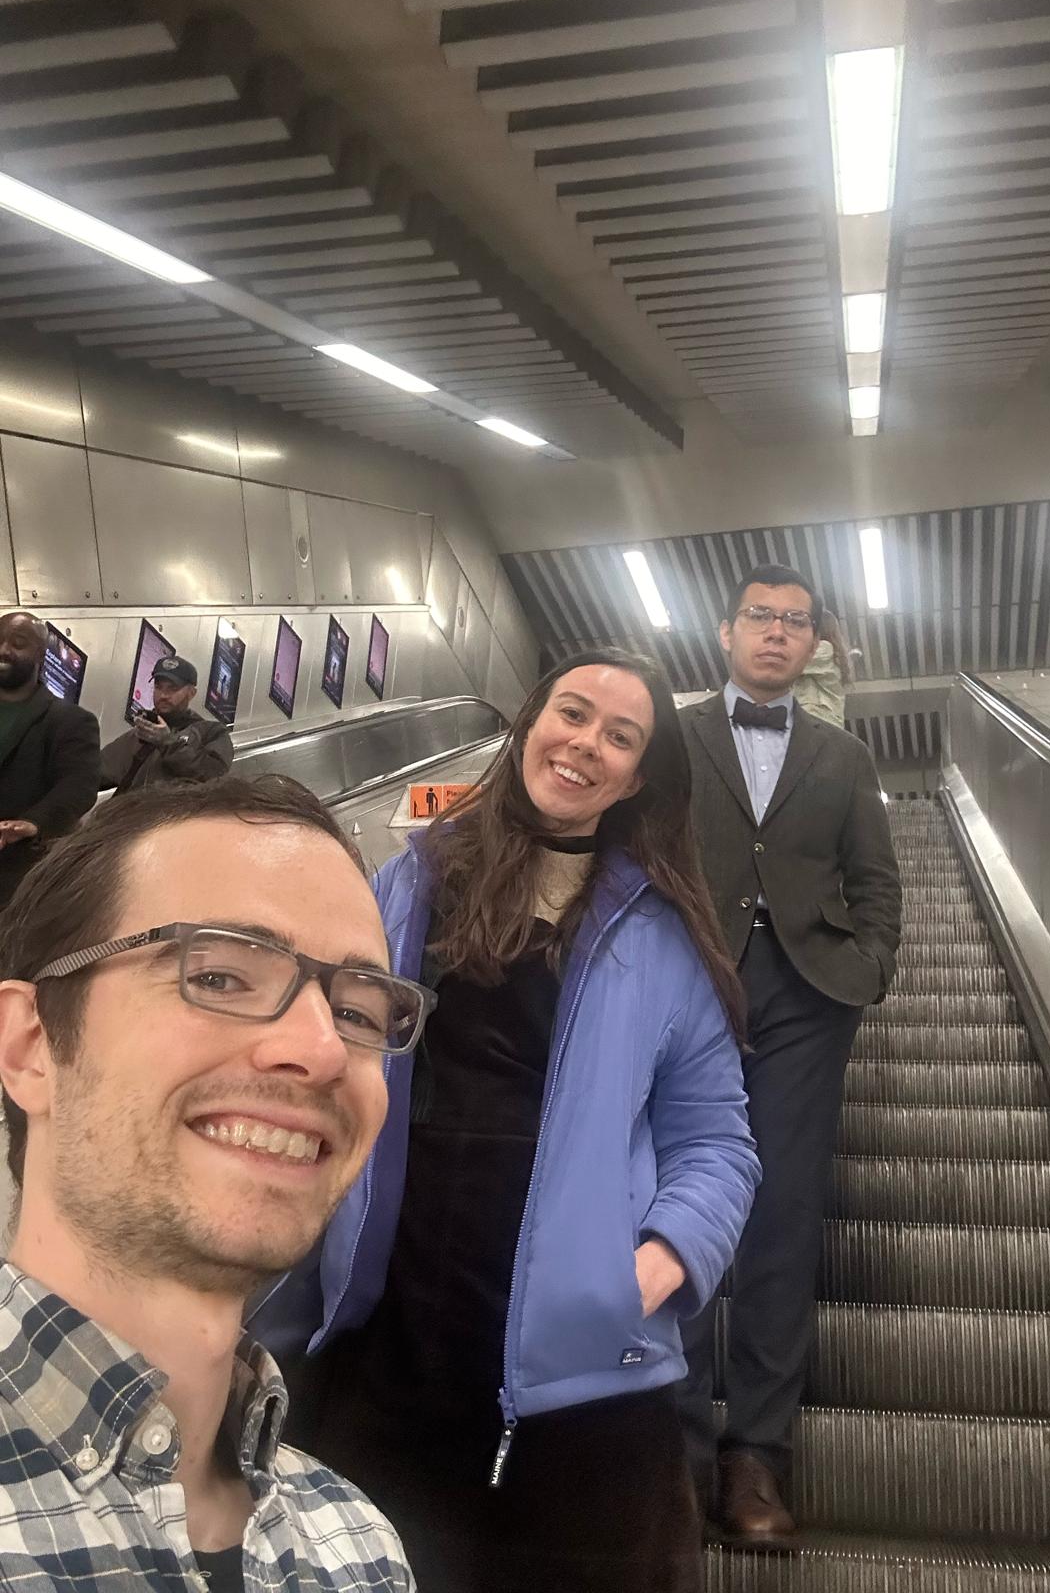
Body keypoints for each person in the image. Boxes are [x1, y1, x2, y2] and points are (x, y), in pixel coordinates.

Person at [253, 648, 760, 1593]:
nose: (585, 745)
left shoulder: (660, 934)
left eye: (620, 736)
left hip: (577, 1363)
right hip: (387, 1326)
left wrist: (656, 1264)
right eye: (571, 714)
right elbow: (331, 1052)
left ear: (639, 778)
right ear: (529, 723)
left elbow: (716, 1138)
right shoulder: (409, 882)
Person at [0, 775, 431, 1591]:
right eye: (223, 976)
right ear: (28, 1045)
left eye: (360, 1012)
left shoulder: (359, 1548)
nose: (322, 1050)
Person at [676, 565, 902, 1543]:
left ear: (816, 644)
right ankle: (673, 1446)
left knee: (783, 1208)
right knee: (674, 1202)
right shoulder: (668, 739)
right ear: (726, 632)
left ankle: (756, 1455)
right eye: (760, 617)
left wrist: (868, 968)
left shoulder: (844, 756)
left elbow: (877, 879)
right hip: (686, 990)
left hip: (809, 999)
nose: (776, 633)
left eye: (795, 622)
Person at [0, 610, 100, 910]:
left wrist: (33, 822)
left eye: (18, 643)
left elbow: (79, 785)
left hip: (15, 879)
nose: (4, 650)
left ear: (41, 654)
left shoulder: (70, 721)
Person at [100, 654, 233, 795]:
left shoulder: (210, 732)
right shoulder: (139, 734)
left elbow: (215, 776)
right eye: (158, 687)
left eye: (172, 689)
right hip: (129, 814)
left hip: (177, 814)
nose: (163, 695)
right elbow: (96, 772)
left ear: (191, 693)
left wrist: (169, 744)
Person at [792, 608, 854, 728]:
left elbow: (793, 663)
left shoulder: (824, 649)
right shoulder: (833, 653)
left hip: (818, 718)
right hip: (822, 721)